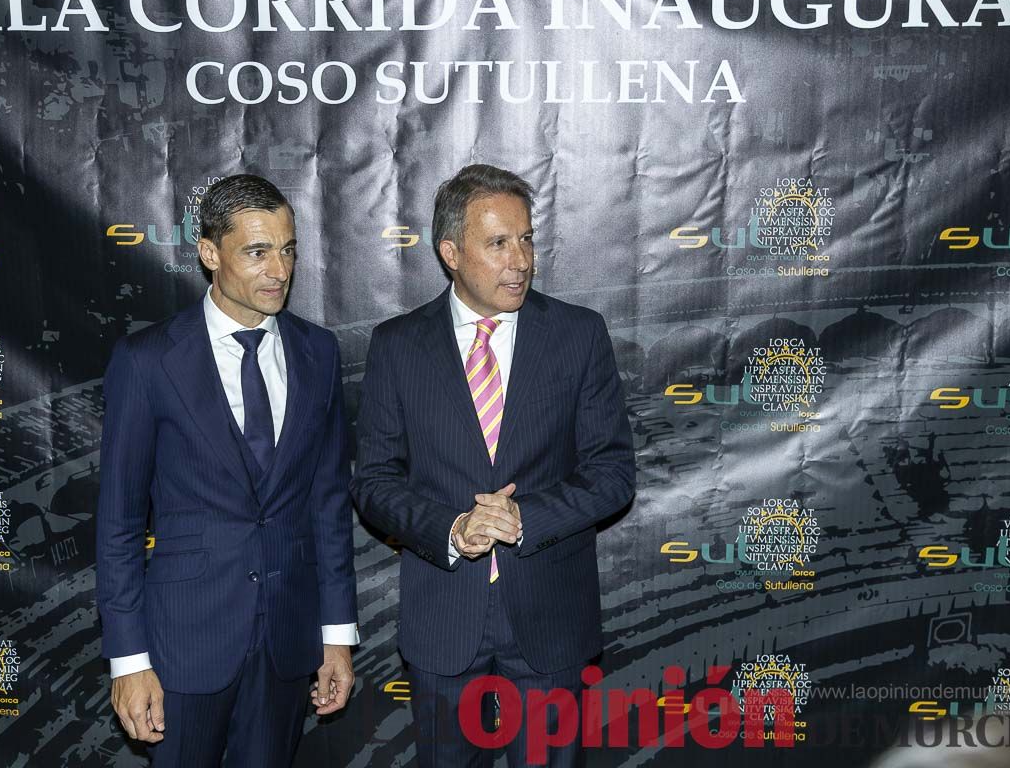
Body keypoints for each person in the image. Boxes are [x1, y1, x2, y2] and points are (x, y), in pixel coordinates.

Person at [352, 163, 636, 766]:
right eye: (499, 243)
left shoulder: (578, 335)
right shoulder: (398, 345)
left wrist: (523, 517)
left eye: (527, 238)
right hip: (443, 614)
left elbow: (612, 472)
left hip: (550, 615)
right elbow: (373, 483)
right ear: (451, 252)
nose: (521, 260)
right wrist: (451, 529)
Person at [96, 174, 358, 767]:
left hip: (289, 641)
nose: (279, 270)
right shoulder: (148, 361)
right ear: (210, 252)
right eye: (257, 251)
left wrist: (337, 635)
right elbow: (118, 523)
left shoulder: (318, 352)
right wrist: (129, 660)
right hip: (183, 644)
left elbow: (328, 507)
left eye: (288, 250)